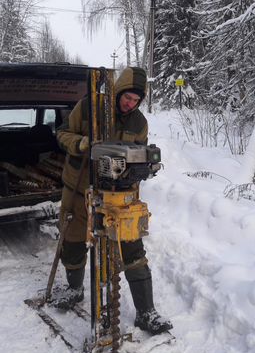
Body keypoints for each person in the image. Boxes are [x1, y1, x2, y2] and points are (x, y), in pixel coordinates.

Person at [56, 66, 172, 335]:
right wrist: (83, 144)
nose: (130, 104)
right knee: (73, 239)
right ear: (118, 90)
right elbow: (62, 133)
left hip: (119, 195)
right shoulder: (89, 107)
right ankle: (74, 290)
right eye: (127, 97)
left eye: (136, 100)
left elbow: (142, 151)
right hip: (79, 186)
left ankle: (146, 312)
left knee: (132, 247)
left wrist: (140, 168)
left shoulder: (139, 123)